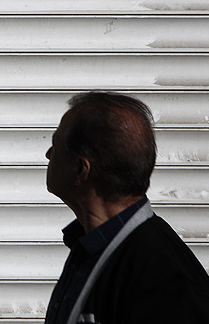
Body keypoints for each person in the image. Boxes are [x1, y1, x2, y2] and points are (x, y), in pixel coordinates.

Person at [43, 91, 209, 324]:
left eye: (56, 145)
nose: (48, 154)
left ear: (80, 169)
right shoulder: (93, 246)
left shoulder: (162, 281)